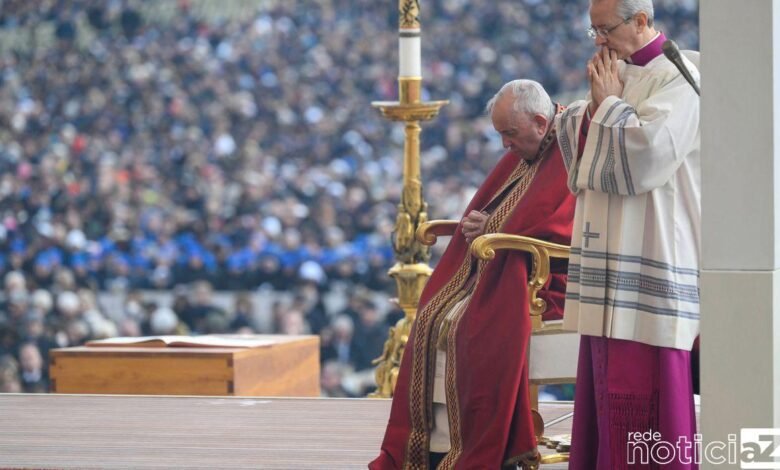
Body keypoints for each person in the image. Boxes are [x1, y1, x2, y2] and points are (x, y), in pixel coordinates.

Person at [370, 80, 576, 470]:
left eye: (509, 134)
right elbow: (506, 209)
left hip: (544, 282)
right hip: (501, 266)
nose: (504, 146)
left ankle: (473, 448)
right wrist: (488, 225)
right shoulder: (531, 143)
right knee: (432, 316)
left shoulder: (569, 146)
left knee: (470, 326)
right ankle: (433, 449)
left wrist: (495, 228)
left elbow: (562, 225)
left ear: (538, 121)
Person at [554, 0, 700, 468]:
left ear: (641, 21)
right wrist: (594, 107)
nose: (598, 41)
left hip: (654, 248)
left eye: (605, 29)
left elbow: (648, 155)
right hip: (610, 256)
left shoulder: (682, 74)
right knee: (605, 373)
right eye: (592, 30)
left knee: (651, 381)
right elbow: (581, 141)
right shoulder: (615, 74)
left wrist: (609, 105)